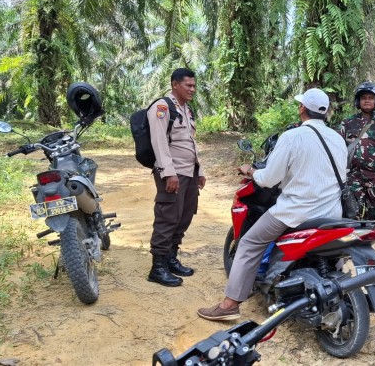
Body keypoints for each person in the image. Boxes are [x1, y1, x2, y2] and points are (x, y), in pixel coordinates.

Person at [197, 88, 346, 321]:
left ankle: (229, 304)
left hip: (295, 212)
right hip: (332, 213)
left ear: (301, 109)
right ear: (326, 113)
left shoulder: (292, 136)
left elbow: (269, 179)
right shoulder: (337, 138)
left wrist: (251, 171)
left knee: (248, 243)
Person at [146, 68, 206, 287]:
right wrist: (168, 172)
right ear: (175, 85)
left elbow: (190, 142)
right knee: (168, 217)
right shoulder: (162, 108)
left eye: (194, 85)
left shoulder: (186, 110)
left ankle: (171, 259)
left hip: (189, 172)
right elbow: (159, 142)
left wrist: (199, 170)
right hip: (172, 173)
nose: (192, 89)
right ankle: (158, 267)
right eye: (188, 85)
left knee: (184, 216)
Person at [338, 81, 375, 220]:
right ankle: (353, 242)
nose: (367, 101)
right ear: (358, 101)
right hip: (353, 178)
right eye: (363, 98)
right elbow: (337, 147)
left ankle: (370, 242)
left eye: (370, 98)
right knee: (351, 216)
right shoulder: (347, 123)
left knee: (374, 219)